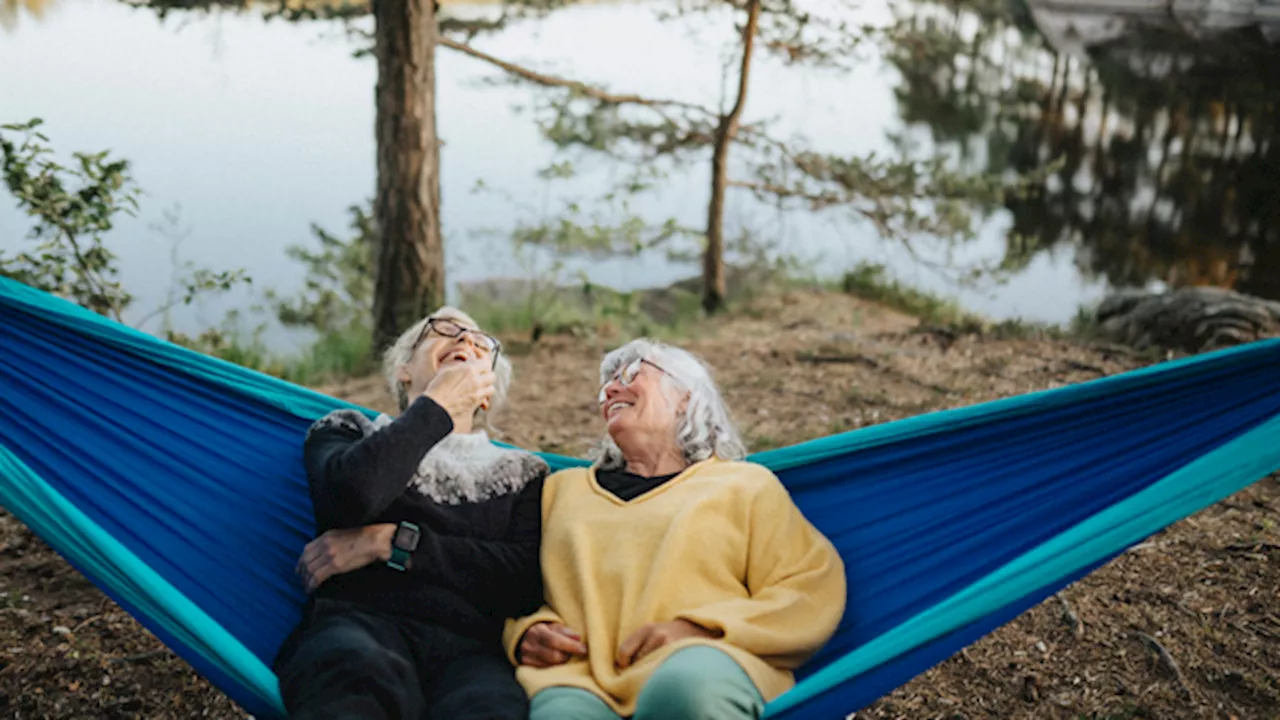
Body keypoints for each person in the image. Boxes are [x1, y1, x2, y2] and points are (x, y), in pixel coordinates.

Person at [507, 338, 847, 720]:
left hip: (704, 664)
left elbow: (808, 587)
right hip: (581, 679)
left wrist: (701, 631)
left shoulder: (744, 486)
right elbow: (507, 587)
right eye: (607, 387)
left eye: (633, 374)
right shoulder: (559, 491)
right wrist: (525, 633)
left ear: (686, 396)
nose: (612, 390)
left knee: (683, 692)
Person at [273, 307, 547, 720]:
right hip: (359, 627)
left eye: (479, 341)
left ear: (486, 391)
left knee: (490, 709)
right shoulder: (349, 433)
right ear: (403, 369)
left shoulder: (523, 475)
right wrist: (437, 405)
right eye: (444, 330)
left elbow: (520, 580)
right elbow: (350, 497)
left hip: (471, 653)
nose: (465, 341)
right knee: (354, 679)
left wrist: (390, 542)